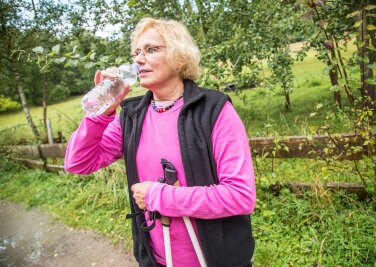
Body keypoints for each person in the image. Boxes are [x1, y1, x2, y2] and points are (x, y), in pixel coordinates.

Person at [64, 17, 256, 267]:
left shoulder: (214, 110)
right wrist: (101, 113)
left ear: (179, 56)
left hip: (217, 259)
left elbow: (240, 196)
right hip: (157, 259)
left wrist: (160, 196)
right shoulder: (130, 117)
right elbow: (78, 163)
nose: (138, 59)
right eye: (136, 52)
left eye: (151, 49)